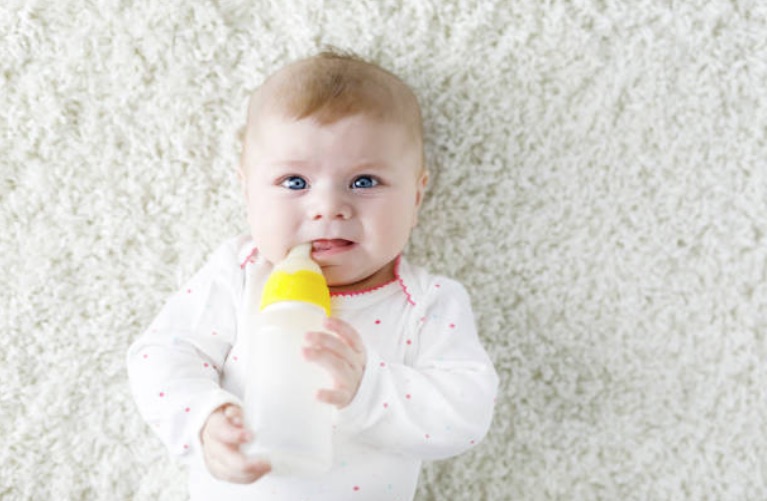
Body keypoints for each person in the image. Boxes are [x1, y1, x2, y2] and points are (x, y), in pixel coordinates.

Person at [127, 50, 498, 500]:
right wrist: (204, 419)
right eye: (295, 182)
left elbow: (466, 411)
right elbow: (162, 356)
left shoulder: (426, 303)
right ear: (247, 191)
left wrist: (368, 390)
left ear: (417, 197)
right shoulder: (241, 274)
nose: (328, 207)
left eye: (364, 182)